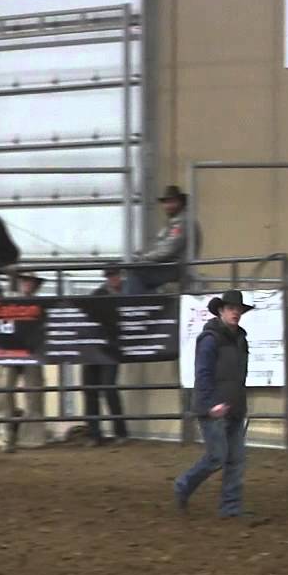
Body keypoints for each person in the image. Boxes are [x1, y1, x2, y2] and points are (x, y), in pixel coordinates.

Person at [174, 289, 252, 517]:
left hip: (233, 406)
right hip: (214, 408)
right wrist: (210, 405)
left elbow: (240, 375)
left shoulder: (240, 339)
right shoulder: (210, 339)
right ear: (221, 311)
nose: (235, 313)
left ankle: (231, 507)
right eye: (231, 309)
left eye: (238, 309)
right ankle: (184, 484)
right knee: (218, 457)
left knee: (235, 459)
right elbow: (203, 374)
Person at [0, 272, 46, 453]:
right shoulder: (10, 303)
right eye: (25, 281)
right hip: (11, 352)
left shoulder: (40, 306)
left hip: (31, 353)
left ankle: (30, 437)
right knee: (4, 391)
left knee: (34, 393)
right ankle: (2, 434)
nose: (27, 284)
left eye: (30, 282)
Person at [125, 185, 201, 294]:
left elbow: (168, 250)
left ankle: (133, 306)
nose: (168, 205)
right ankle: (145, 304)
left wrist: (143, 258)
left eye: (172, 201)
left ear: (181, 202)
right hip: (170, 266)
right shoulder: (176, 221)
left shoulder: (182, 222)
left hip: (176, 267)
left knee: (137, 272)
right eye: (166, 202)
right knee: (139, 275)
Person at [83, 265, 128, 447]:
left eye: (114, 275)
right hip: (98, 347)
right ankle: (97, 433)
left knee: (107, 388)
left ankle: (115, 432)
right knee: (92, 389)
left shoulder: (104, 295)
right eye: (110, 275)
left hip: (106, 348)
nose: (113, 278)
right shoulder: (102, 294)